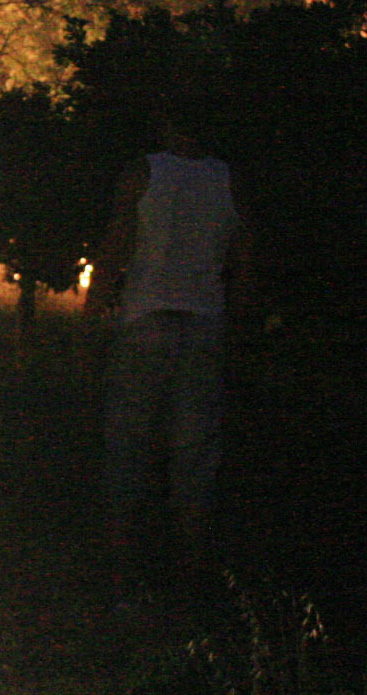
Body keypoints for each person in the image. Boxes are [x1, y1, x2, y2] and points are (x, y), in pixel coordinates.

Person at [90, 105, 254, 591]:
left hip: (143, 323)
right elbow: (245, 262)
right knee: (195, 457)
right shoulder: (230, 180)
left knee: (127, 448)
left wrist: (91, 319)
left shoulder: (144, 172)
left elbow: (116, 247)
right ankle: (191, 579)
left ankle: (122, 578)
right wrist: (241, 334)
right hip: (204, 325)